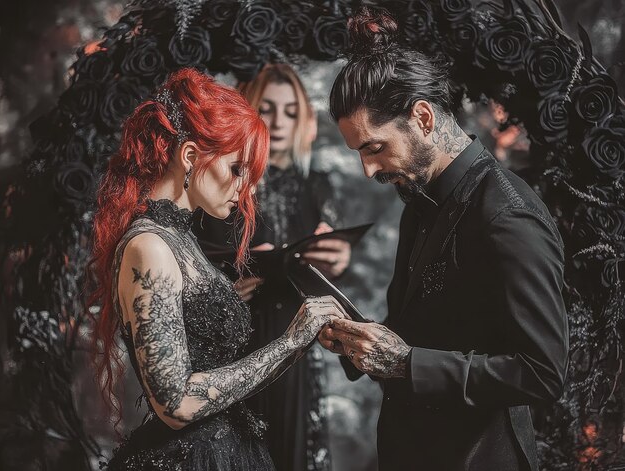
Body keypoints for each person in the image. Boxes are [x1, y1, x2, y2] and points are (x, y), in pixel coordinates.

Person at [318, 8, 569, 471]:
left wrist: (406, 364)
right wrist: (361, 343)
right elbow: (431, 329)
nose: (368, 169)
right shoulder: (420, 195)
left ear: (423, 117)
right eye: (358, 153)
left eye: (374, 147)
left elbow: (542, 372)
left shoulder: (507, 214)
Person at [90, 68, 345, 471]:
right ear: (190, 156)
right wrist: (290, 343)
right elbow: (175, 403)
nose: (245, 188)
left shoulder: (180, 238)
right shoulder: (149, 247)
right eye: (237, 169)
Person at [196, 63, 351, 471]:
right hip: (233, 345)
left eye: (290, 111)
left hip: (297, 345)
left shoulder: (317, 184)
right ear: (247, 111)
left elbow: (324, 266)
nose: (279, 122)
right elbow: (193, 260)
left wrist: (337, 259)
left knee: (293, 451)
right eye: (267, 109)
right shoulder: (222, 179)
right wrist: (223, 286)